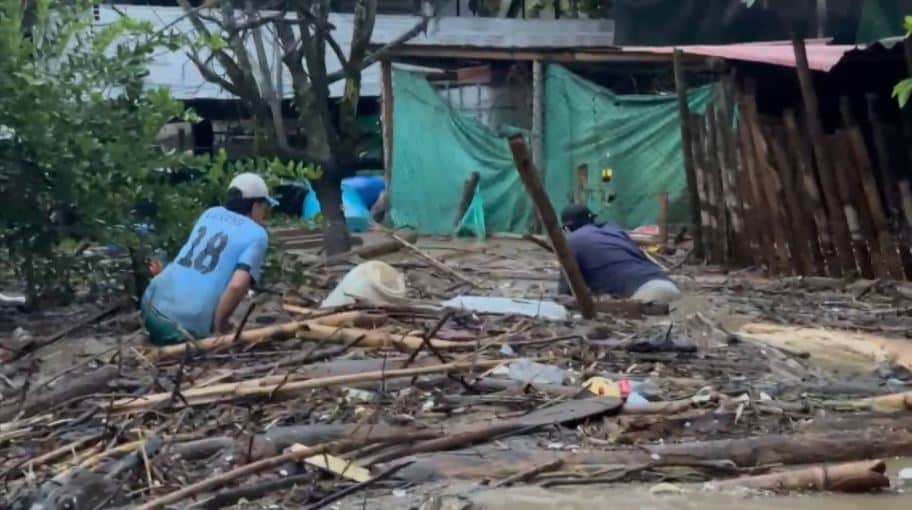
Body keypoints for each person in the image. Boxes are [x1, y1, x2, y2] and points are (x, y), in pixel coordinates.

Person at [140, 173, 277, 345]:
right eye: (265, 207)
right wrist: (219, 328)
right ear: (255, 205)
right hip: (184, 325)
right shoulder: (257, 234)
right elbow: (237, 285)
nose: (265, 213)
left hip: (149, 304)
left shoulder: (210, 213)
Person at [558, 204, 681, 304]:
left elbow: (566, 290)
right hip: (669, 285)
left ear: (568, 228)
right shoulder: (615, 231)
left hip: (648, 295)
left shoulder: (572, 240)